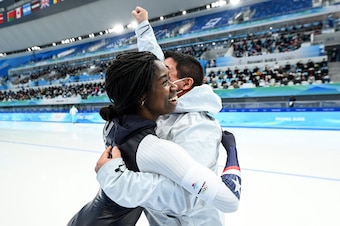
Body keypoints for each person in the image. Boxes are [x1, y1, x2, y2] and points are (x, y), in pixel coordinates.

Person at [68, 51, 241, 225]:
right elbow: (227, 199)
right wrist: (232, 154)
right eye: (165, 81)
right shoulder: (154, 147)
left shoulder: (113, 125)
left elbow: (142, 71)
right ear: (142, 95)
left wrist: (143, 25)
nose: (173, 87)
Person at [126, 6, 241, 225]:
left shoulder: (197, 125)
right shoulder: (163, 111)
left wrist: (121, 182)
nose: (154, 78)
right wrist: (142, 26)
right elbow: (151, 59)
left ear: (185, 84)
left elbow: (189, 194)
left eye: (164, 74)